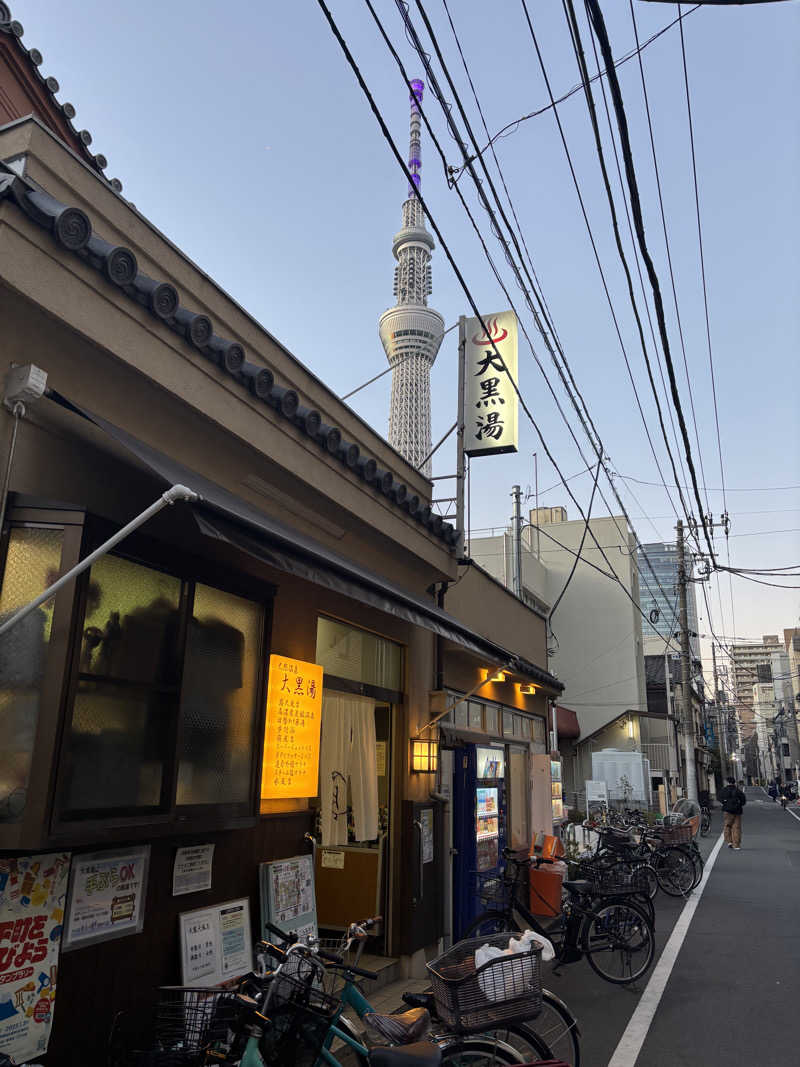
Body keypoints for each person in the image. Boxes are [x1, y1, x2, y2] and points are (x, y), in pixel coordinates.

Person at [720, 776, 746, 850]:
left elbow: (719, 798)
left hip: (727, 811)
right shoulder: (738, 791)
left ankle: (729, 841)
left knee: (727, 826)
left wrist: (725, 802)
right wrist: (739, 805)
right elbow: (743, 801)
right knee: (736, 827)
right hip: (737, 811)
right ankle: (736, 845)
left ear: (727, 782)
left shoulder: (724, 790)